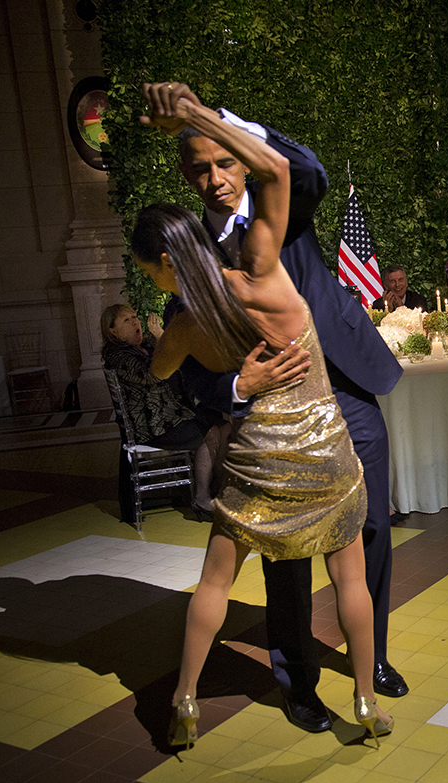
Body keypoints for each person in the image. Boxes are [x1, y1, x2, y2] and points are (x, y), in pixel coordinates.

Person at [135, 83, 392, 747]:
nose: (215, 177)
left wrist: (203, 115)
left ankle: (372, 662)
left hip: (345, 395)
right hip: (279, 428)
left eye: (223, 160)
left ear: (238, 155)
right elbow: (192, 382)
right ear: (186, 175)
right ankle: (302, 682)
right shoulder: (221, 254)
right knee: (292, 568)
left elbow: (300, 167)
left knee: (370, 534)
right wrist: (237, 384)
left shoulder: (270, 216)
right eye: (198, 167)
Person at [100, 303, 225, 520]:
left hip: (170, 415)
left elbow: (179, 361)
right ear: (113, 331)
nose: (135, 322)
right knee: (212, 431)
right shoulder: (120, 357)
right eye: (126, 320)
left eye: (135, 316)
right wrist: (161, 337)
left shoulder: (142, 347)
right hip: (156, 426)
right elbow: (155, 374)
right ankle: (203, 497)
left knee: (220, 423)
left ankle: (214, 489)